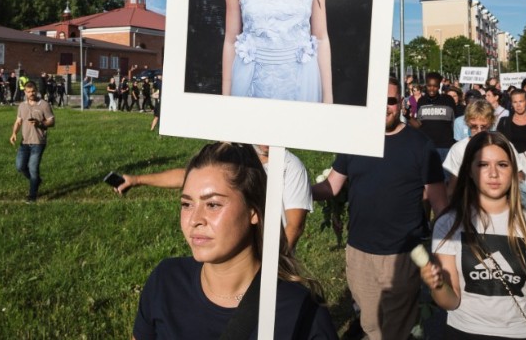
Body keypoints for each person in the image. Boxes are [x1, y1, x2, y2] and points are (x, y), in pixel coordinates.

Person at [133, 142, 337, 339]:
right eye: (186, 204)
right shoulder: (166, 281)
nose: (194, 220)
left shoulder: (301, 312)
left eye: (212, 205)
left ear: (253, 211)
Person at [312, 78, 447, 339]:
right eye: (379, 101)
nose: (385, 107)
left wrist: (452, 249)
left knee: (395, 329)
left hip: (402, 255)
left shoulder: (420, 145)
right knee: (371, 325)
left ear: (401, 104)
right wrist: (295, 192)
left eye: (391, 101)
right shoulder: (355, 140)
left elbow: (440, 204)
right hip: (359, 252)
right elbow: (331, 186)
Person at [420, 131, 526, 340]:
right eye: (483, 165)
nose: (493, 173)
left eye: (502, 165)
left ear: (513, 171)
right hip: (463, 332)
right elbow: (451, 301)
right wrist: (437, 286)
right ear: (470, 172)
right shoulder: (448, 224)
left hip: (522, 332)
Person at [115, 144, 313, 252]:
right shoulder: (238, 156)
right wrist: (136, 179)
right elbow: (189, 176)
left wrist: (274, 264)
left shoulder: (291, 166)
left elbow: (294, 226)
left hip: (268, 257)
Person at [9, 81, 55, 203]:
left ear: (37, 90)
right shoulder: (22, 106)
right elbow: (18, 121)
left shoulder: (44, 105)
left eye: (33, 91)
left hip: (38, 142)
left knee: (33, 168)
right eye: (28, 92)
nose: (31, 93)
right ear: (25, 92)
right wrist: (14, 133)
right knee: (20, 167)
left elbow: (51, 121)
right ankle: (36, 181)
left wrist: (40, 123)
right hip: (24, 142)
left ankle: (32, 195)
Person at [496, 88, 526, 153]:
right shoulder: (504, 122)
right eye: (515, 102)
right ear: (511, 104)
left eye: (521, 101)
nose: (518, 105)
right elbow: (499, 144)